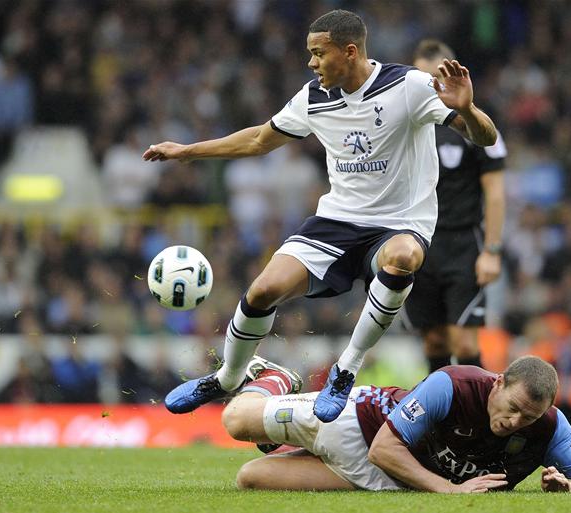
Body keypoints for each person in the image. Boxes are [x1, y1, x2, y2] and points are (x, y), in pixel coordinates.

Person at [143, 9, 498, 422]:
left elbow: (485, 137)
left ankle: (345, 368)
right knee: (262, 291)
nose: (311, 63)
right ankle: (227, 377)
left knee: (403, 258)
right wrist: (188, 151)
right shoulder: (314, 97)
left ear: (350, 51)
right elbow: (259, 139)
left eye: (318, 53)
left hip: (400, 222)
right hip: (337, 222)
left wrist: (469, 111)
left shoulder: (409, 86)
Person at [222, 355, 571, 493]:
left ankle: (281, 444)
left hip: (387, 477)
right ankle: (275, 378)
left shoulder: (548, 425)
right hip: (356, 421)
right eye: (514, 408)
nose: (515, 422)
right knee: (236, 420)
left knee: (250, 478)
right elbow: (383, 448)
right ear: (499, 383)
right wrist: (447, 490)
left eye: (529, 417)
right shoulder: (454, 384)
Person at [404, 39, 507, 373]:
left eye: (435, 77)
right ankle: (442, 420)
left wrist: (491, 250)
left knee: (464, 343)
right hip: (417, 242)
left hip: (463, 244)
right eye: (420, 78)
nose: (428, 85)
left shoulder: (473, 124)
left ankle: (475, 422)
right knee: (434, 340)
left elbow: (494, 190)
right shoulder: (406, 123)